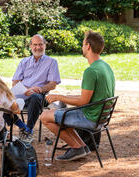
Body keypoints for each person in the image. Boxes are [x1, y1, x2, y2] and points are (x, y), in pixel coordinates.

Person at [40, 31, 115, 161]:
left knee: (45, 117)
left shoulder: (91, 71)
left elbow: (83, 102)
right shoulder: (105, 66)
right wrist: (65, 96)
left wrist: (59, 97)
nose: (82, 47)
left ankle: (76, 147)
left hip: (90, 118)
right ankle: (81, 147)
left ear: (88, 47)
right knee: (59, 113)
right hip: (100, 117)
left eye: (83, 44)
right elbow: (90, 97)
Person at [3, 34, 61, 143]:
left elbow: (53, 84)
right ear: (30, 46)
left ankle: (28, 131)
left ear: (45, 45)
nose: (38, 47)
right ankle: (22, 126)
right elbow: (15, 81)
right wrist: (24, 90)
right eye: (35, 45)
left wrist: (39, 89)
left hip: (38, 96)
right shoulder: (24, 62)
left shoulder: (52, 62)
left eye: (40, 44)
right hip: (22, 93)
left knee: (35, 97)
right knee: (2, 100)